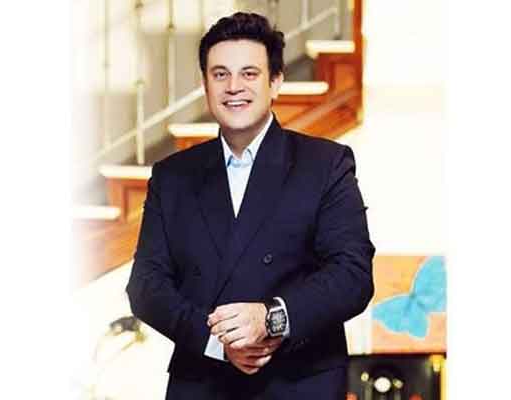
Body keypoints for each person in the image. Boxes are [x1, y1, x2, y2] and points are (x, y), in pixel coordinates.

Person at [126, 12, 375, 400]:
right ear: (205, 85)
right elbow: (146, 285)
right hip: (203, 383)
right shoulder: (172, 176)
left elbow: (353, 275)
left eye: (249, 73)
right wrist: (217, 341)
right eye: (220, 74)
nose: (233, 87)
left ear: (275, 82)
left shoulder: (325, 164)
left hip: (299, 384)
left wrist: (271, 319)